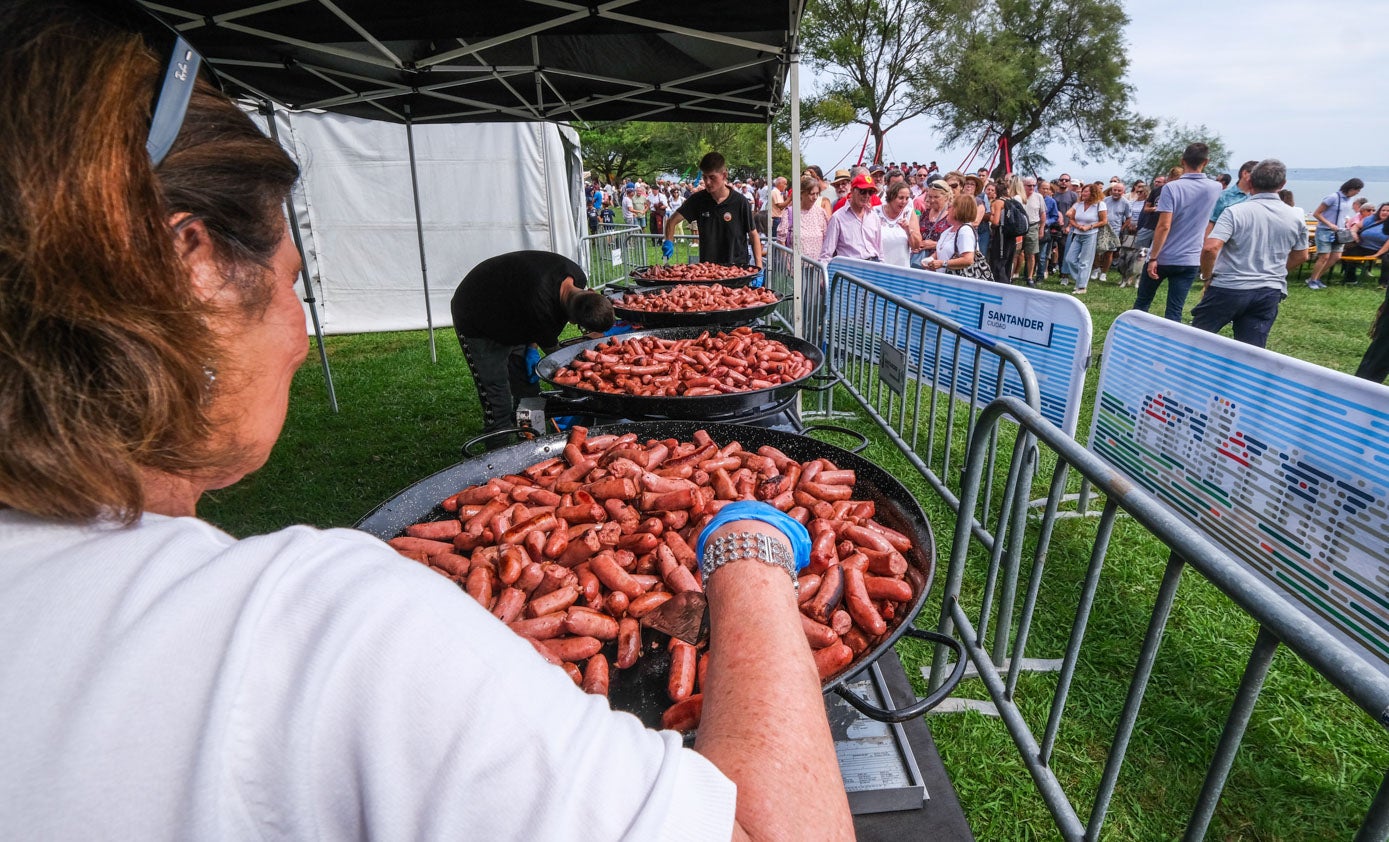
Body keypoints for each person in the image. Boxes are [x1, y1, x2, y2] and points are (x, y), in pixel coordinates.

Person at [0, 4, 857, 839]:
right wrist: (746, 546)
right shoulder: (323, 631)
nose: (299, 333)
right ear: (195, 268)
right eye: (293, 279)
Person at [451, 251, 614, 438]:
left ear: (590, 291)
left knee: (528, 395)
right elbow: (558, 363)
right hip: (476, 316)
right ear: (571, 321)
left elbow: (532, 313)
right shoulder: (542, 312)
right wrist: (587, 389)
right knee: (498, 403)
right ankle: (498, 460)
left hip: (513, 308)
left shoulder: (576, 275)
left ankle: (528, 444)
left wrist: (531, 347)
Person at [1191, 159, 1308, 347]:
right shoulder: (1295, 216)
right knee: (1252, 351)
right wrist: (1272, 270)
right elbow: (1301, 255)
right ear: (1282, 184)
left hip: (1229, 286)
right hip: (1269, 290)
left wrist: (1206, 276)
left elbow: (1210, 247)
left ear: (1251, 182)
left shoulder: (1234, 212)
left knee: (1195, 340)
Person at [1136, 143, 1222, 320]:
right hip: (1189, 259)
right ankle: (1170, 345)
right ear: (1206, 162)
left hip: (1163, 256)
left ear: (1182, 161)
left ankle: (1129, 340)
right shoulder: (1215, 188)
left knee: (1142, 304)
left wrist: (1153, 257)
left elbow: (1164, 225)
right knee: (1175, 310)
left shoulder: (1171, 188)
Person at [662, 151, 763, 272]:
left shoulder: (740, 202)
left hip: (737, 270)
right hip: (707, 271)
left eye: (712, 177)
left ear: (724, 175)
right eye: (705, 177)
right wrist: (668, 241)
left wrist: (759, 267)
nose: (708, 182)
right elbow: (672, 221)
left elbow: (753, 235)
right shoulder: (698, 200)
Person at [1306, 177, 1365, 289]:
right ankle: (1313, 280)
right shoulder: (1333, 197)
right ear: (1351, 188)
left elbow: (1343, 214)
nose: (1357, 193)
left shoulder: (1349, 200)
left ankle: (1317, 277)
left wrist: (1346, 221)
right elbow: (1317, 213)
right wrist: (1329, 224)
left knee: (1336, 256)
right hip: (1325, 230)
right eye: (1357, 190)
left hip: (1340, 231)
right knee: (1324, 256)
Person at [821, 173, 884, 261]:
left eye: (870, 192)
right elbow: (826, 254)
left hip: (873, 266)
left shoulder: (874, 217)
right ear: (853, 190)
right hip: (850, 268)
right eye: (863, 191)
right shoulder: (838, 217)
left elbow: (880, 250)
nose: (867, 195)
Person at [1062, 182, 1107, 295]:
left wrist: (1090, 226)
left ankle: (1081, 287)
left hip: (1091, 234)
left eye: (1086, 191)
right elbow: (1071, 219)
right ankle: (1081, 278)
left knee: (1085, 261)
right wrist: (1077, 226)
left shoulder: (1100, 205)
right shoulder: (1078, 205)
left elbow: (1104, 221)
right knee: (1070, 259)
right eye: (1083, 191)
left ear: (1093, 193)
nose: (1084, 193)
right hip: (1077, 234)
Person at [923, 193, 983, 275]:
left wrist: (943, 263)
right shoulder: (948, 231)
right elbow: (943, 250)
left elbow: (968, 259)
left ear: (957, 210)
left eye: (950, 207)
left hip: (957, 283)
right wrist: (930, 259)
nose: (947, 210)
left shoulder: (965, 231)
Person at [780, 174, 831, 258]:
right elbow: (781, 240)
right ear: (802, 194)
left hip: (817, 266)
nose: (815, 197)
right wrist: (787, 263)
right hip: (795, 267)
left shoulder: (821, 212)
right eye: (811, 194)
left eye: (817, 194)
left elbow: (826, 238)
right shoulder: (790, 213)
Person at [876, 180, 923, 267]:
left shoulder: (909, 213)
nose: (904, 202)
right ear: (891, 197)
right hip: (878, 267)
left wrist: (908, 230)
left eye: (907, 198)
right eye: (900, 198)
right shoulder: (875, 211)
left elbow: (916, 246)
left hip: (901, 268)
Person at [988, 175, 1025, 284]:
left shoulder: (999, 202)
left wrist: (988, 218)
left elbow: (995, 222)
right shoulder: (1012, 200)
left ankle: (1000, 284)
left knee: (999, 262)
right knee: (1009, 261)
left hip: (1001, 236)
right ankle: (1007, 281)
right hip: (1012, 236)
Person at [1342, 202, 1389, 286]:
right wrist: (1354, 233)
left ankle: (1384, 284)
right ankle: (1350, 279)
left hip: (1381, 249)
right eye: (1383, 210)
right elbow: (1356, 226)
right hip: (1363, 246)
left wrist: (1377, 254)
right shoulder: (1371, 219)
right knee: (1344, 251)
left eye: (1388, 211)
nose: (1385, 212)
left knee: (1387, 259)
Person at [1206, 160, 1257, 237]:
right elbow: (1211, 223)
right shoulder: (1223, 197)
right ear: (1245, 173)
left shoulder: (1258, 198)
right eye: (1257, 175)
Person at [1094, 180, 1130, 282]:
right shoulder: (1104, 200)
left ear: (1123, 192)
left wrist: (1121, 229)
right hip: (1102, 228)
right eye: (1115, 190)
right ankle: (1096, 269)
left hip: (1115, 230)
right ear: (1111, 190)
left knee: (1109, 252)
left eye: (1119, 190)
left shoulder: (1126, 203)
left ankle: (1104, 273)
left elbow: (1128, 218)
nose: (1116, 192)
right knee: (1096, 250)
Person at [1019, 176, 1046, 285]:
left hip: (1033, 227)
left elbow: (1043, 213)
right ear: (1023, 185)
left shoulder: (1039, 197)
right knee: (1016, 253)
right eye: (1029, 185)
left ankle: (1029, 278)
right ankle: (1011, 275)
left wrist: (1042, 228)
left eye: (1034, 185)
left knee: (1031, 254)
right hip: (1019, 228)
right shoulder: (1018, 196)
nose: (1032, 187)